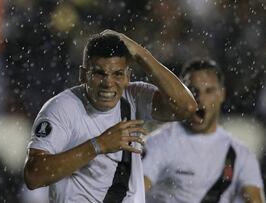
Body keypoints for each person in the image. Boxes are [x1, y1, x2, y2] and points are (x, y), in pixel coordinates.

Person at [23, 29, 197, 203]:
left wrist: (141, 54)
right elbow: (34, 175)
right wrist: (98, 145)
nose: (108, 83)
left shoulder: (133, 97)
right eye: (99, 73)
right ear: (83, 74)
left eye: (117, 74)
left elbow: (186, 107)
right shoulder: (62, 108)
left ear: (127, 76)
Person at [143, 58, 265, 203]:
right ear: (182, 94)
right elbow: (134, 192)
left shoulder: (240, 154)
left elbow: (254, 198)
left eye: (209, 90)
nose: (200, 98)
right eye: (193, 91)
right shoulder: (160, 143)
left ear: (221, 94)